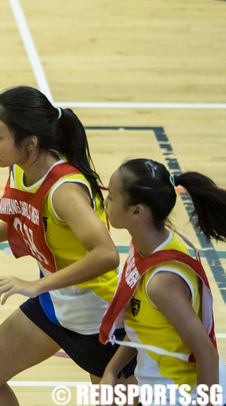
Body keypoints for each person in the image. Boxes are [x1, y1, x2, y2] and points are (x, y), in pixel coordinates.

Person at [0, 85, 134, 405]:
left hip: (97, 316)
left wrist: (35, 285)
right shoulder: (23, 170)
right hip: (55, 303)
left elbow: (106, 255)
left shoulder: (65, 190)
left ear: (29, 143)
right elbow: (23, 215)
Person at [99, 158, 226, 405]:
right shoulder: (148, 242)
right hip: (158, 382)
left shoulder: (162, 282)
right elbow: (147, 330)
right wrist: (111, 371)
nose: (105, 201)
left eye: (112, 197)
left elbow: (206, 355)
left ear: (137, 211)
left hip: (182, 394)